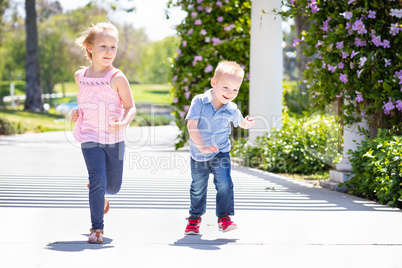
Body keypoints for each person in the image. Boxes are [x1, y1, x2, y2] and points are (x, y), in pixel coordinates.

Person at [71, 21, 136, 244]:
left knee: (113, 186)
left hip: (113, 139)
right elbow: (85, 102)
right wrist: (76, 113)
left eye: (113, 47)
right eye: (103, 46)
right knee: (97, 179)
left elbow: (130, 107)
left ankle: (100, 192)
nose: (109, 52)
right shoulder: (80, 76)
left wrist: (124, 124)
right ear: (90, 47)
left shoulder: (117, 77)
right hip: (89, 135)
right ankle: (96, 228)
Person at [184, 61, 255, 235]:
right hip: (199, 154)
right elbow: (191, 126)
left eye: (235, 90)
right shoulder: (199, 101)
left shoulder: (231, 108)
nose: (230, 93)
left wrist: (246, 123)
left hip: (221, 152)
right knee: (198, 187)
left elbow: (240, 122)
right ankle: (194, 219)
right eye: (225, 87)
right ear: (213, 83)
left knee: (224, 183)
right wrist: (203, 147)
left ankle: (224, 218)